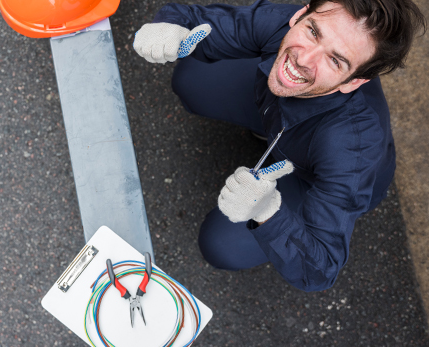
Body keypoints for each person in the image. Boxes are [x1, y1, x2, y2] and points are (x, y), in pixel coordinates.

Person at [133, 0, 426, 291]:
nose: (304, 59)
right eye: (313, 31)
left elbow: (320, 269)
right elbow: (196, 20)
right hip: (282, 112)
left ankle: (272, 156)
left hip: (311, 176)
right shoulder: (285, 22)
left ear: (354, 82)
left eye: (336, 60)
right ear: (301, 14)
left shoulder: (352, 151)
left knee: (221, 246)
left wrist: (268, 212)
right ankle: (267, 132)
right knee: (192, 79)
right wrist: (170, 27)